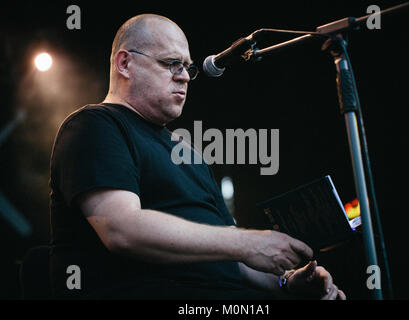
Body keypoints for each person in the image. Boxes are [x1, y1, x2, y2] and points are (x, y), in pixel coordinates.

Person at [49, 13, 346, 300]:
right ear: (125, 63)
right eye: (172, 64)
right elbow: (121, 229)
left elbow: (233, 257)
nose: (185, 78)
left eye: (188, 68)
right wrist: (247, 242)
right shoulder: (95, 124)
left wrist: (287, 282)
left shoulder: (188, 152)